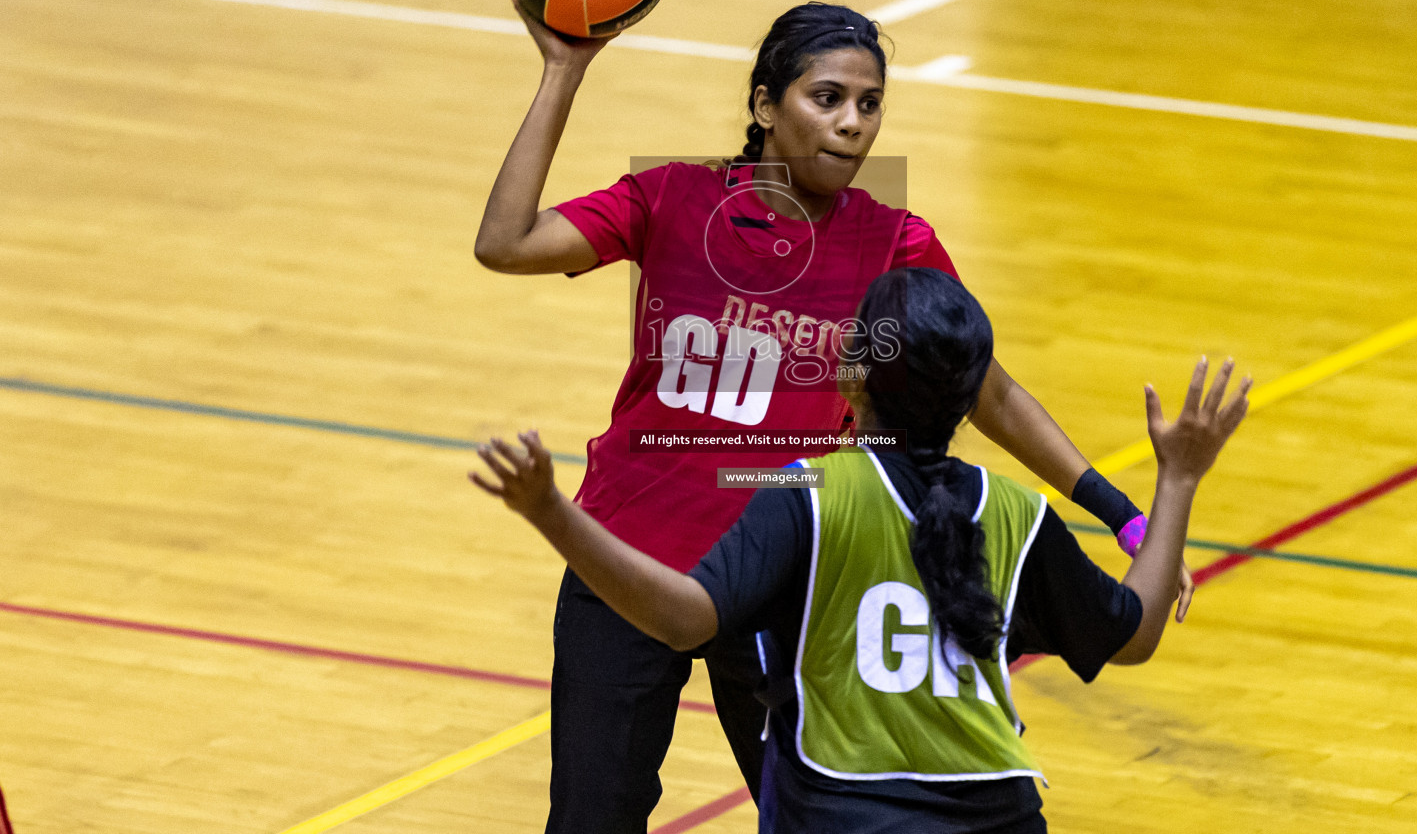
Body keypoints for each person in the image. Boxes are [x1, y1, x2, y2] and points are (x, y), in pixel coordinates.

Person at [474, 0, 1192, 832]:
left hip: (786, 578)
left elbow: (990, 392)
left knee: (809, 817)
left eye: (870, 103)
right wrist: (566, 69)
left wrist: (1121, 512)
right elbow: (505, 242)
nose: (853, 124)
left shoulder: (895, 242)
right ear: (765, 105)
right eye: (827, 99)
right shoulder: (671, 198)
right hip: (629, 558)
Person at [470, 267, 1250, 832]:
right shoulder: (1018, 512)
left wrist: (552, 514)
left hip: (845, 816)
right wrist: (1177, 478)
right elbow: (1136, 631)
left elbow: (683, 622)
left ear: (850, 377)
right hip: (1001, 813)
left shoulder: (806, 493)